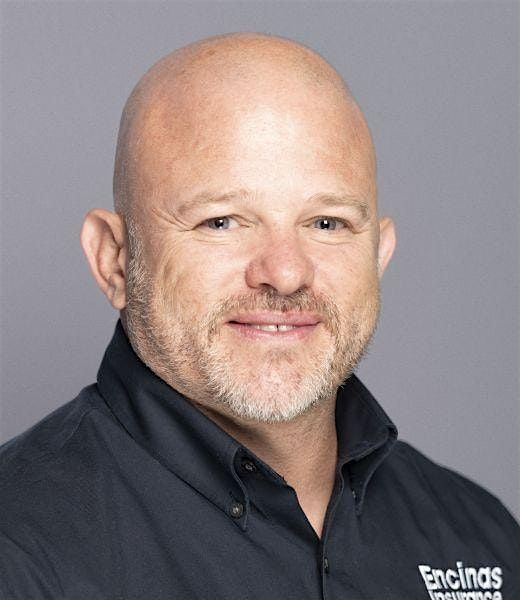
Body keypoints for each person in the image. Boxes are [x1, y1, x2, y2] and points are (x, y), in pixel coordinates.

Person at [0, 32, 518, 600]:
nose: (286, 272)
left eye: (327, 223)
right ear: (114, 259)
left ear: (379, 253)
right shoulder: (19, 551)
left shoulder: (481, 539)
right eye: (221, 221)